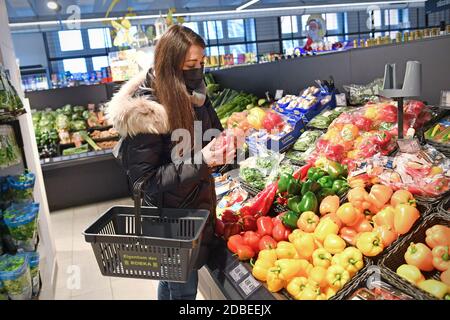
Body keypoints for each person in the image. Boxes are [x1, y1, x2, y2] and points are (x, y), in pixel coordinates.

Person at [107, 25, 235, 300]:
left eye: (202, 63)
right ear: (170, 63)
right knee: (184, 291)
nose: (198, 70)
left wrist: (227, 143)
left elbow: (213, 133)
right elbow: (145, 181)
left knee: (171, 281)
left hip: (195, 205)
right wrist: (203, 159)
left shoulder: (196, 95)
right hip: (170, 220)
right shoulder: (148, 111)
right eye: (191, 64)